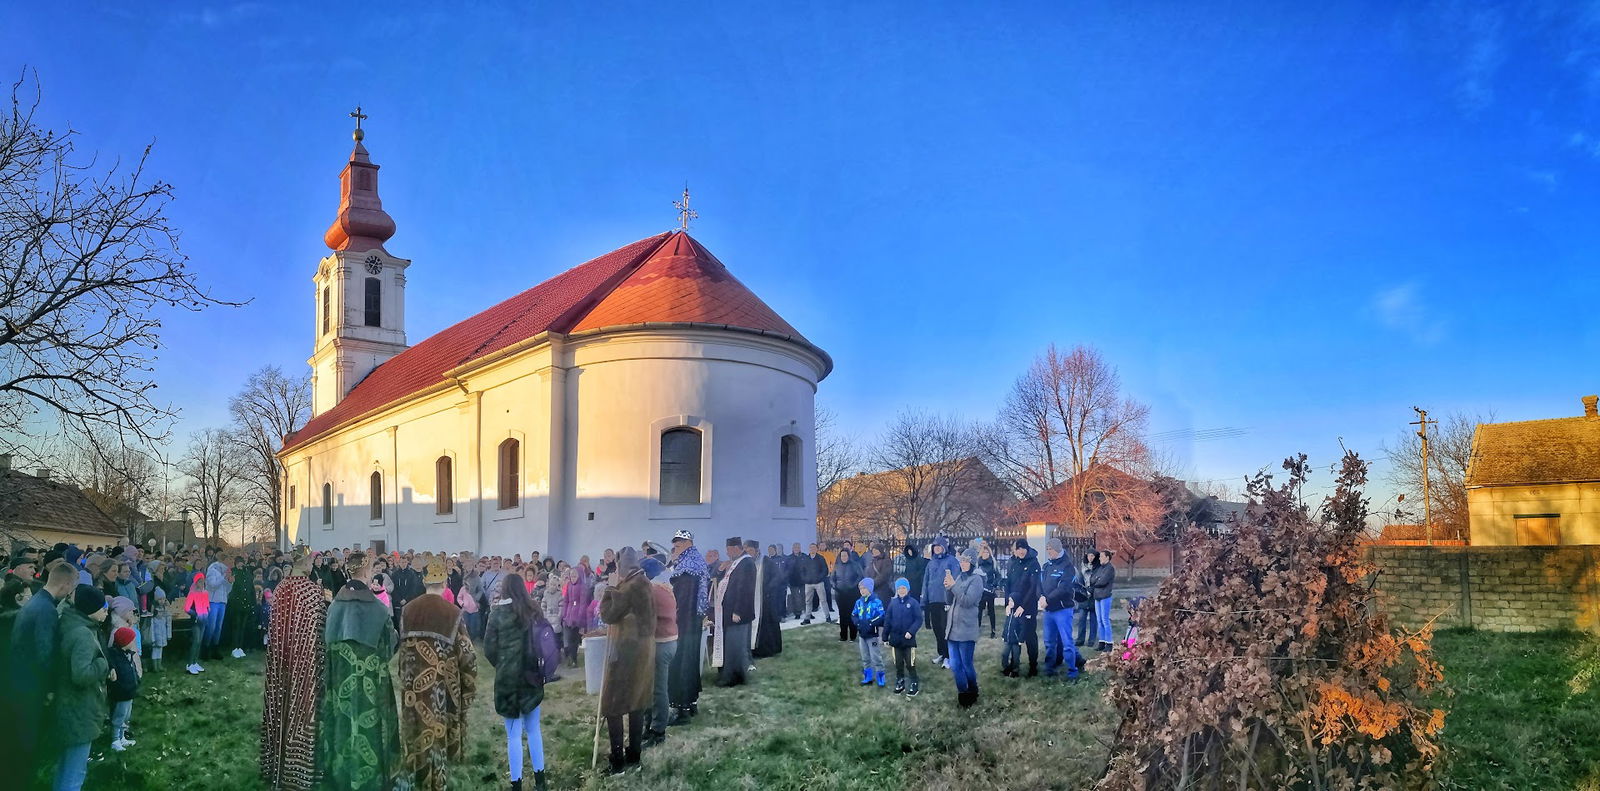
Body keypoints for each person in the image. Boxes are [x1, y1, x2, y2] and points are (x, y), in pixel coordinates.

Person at [321, 552, 401, 791]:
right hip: (371, 687)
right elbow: (389, 647)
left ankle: (341, 771)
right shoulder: (378, 609)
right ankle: (371, 776)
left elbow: (328, 647)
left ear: (348, 572)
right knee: (370, 728)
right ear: (366, 573)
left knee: (344, 723)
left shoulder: (334, 607)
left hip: (341, 683)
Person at [399, 560, 478, 791]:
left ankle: (414, 780)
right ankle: (437, 783)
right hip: (441, 689)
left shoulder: (407, 610)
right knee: (436, 735)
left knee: (415, 735)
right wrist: (467, 689)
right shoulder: (453, 612)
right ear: (444, 583)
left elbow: (403, 654)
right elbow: (468, 656)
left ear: (425, 582)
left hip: (413, 686)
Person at [260, 553, 328, 791]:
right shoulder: (311, 592)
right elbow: (320, 629)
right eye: (310, 562)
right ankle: (299, 771)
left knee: (279, 706)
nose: (311, 566)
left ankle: (275, 766)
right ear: (305, 564)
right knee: (302, 709)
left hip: (280, 660)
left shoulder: (280, 588)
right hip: (306, 662)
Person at [3, 561, 74, 782]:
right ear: (65, 585)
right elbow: (45, 653)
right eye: (72, 588)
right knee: (26, 746)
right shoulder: (46, 610)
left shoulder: (35, 602)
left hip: (18, 682)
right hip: (30, 688)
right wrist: (50, 689)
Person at [485, 572, 548, 791]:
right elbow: (546, 641)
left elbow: (489, 650)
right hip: (532, 678)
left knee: (513, 735)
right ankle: (540, 781)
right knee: (534, 730)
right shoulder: (534, 610)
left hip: (508, 681)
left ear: (504, 589)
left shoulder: (497, 615)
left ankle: (516, 784)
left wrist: (503, 665)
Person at [598, 547, 655, 774]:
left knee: (613, 705)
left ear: (622, 567)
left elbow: (608, 614)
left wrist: (610, 587)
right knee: (636, 704)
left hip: (625, 653)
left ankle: (618, 761)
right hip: (642, 652)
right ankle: (634, 756)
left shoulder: (629, 586)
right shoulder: (645, 583)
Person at [53, 585, 111, 791]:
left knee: (65, 766)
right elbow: (81, 675)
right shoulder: (83, 634)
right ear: (90, 609)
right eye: (102, 607)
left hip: (68, 705)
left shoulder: (71, 624)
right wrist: (103, 665)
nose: (106, 611)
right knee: (75, 772)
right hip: (80, 709)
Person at [666, 530, 708, 723]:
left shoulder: (686, 567)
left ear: (686, 543)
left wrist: (673, 618)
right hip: (693, 621)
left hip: (684, 621)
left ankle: (681, 708)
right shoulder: (696, 560)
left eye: (678, 544)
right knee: (690, 660)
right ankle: (690, 703)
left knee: (681, 661)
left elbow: (681, 598)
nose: (675, 548)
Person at [641, 556, 678, 745]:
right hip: (667, 641)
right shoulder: (664, 587)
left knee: (657, 690)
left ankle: (658, 731)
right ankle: (650, 725)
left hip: (661, 643)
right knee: (653, 688)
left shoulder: (653, 590)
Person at [712, 537, 756, 688]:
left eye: (729, 550)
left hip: (737, 613)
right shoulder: (737, 563)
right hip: (728, 611)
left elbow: (745, 589)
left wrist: (738, 610)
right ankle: (727, 673)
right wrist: (720, 569)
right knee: (729, 645)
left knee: (735, 646)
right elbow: (724, 581)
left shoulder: (747, 563)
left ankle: (732, 677)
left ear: (736, 548)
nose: (727, 553)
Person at [945, 547, 984, 708]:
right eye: (961, 560)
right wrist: (948, 587)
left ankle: (972, 691)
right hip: (953, 629)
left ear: (972, 563)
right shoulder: (959, 577)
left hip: (966, 630)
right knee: (955, 665)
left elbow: (967, 601)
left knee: (966, 664)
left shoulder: (976, 580)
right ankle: (963, 693)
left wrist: (953, 587)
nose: (963, 564)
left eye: (966, 561)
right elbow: (952, 599)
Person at [1038, 538, 1080, 682]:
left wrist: (1048, 599)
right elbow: (1040, 585)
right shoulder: (1046, 566)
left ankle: (1072, 670)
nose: (1049, 552)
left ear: (1057, 549)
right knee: (1049, 642)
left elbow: (1064, 589)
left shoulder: (1067, 566)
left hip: (1062, 609)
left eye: (1051, 549)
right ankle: (1049, 668)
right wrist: (1041, 597)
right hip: (1048, 610)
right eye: (1047, 549)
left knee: (1067, 642)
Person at [1002, 539, 1041, 678]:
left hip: (1028, 606)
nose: (1021, 551)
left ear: (1027, 548)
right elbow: (1007, 583)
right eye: (1018, 549)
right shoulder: (1012, 562)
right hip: (1014, 604)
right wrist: (1008, 603)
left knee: (1029, 636)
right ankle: (1014, 665)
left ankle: (1033, 666)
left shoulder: (1033, 563)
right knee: (1013, 637)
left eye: (1023, 548)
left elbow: (1032, 587)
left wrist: (1023, 607)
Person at [920, 537, 959, 667]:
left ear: (944, 547)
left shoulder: (952, 561)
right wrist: (924, 598)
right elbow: (926, 581)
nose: (937, 548)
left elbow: (955, 579)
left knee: (945, 629)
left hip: (945, 600)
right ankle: (942, 653)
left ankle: (949, 656)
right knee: (936, 629)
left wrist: (952, 596)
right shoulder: (931, 563)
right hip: (933, 600)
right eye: (935, 547)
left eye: (939, 546)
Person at [884, 577, 922, 696]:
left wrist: (911, 632)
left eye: (903, 588)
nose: (901, 590)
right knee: (898, 663)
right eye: (899, 588)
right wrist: (885, 636)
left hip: (908, 640)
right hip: (895, 640)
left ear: (908, 589)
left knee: (910, 663)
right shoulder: (893, 603)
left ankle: (914, 682)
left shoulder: (913, 603)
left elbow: (918, 619)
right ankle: (900, 681)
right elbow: (888, 620)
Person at [108, 626, 141, 751]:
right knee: (119, 716)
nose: (134, 642)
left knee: (125, 716)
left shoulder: (128, 655)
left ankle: (122, 737)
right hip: (121, 693)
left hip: (129, 692)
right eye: (132, 640)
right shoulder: (115, 656)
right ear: (125, 642)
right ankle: (115, 740)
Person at [851, 576, 886, 687]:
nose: (862, 591)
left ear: (870, 589)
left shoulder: (877, 602)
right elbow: (854, 614)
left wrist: (870, 623)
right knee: (865, 657)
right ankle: (868, 677)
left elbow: (881, 616)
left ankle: (881, 676)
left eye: (864, 588)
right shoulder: (858, 602)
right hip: (862, 635)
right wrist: (858, 623)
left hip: (872, 635)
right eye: (860, 589)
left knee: (876, 656)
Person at [752, 540, 783, 659]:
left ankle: (771, 649)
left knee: (769, 624)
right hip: (754, 600)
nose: (750, 553)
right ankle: (757, 649)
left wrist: (767, 589)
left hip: (767, 599)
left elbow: (778, 576)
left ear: (757, 550)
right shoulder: (750, 563)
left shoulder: (766, 561)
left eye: (751, 550)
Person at [560, 561, 592, 668]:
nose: (572, 578)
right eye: (571, 576)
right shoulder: (569, 586)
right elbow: (566, 601)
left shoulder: (583, 587)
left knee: (574, 640)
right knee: (568, 639)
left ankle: (573, 659)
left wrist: (579, 618)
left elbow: (583, 604)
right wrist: (564, 614)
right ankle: (569, 657)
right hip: (568, 616)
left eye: (574, 576)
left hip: (576, 618)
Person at [831, 546, 864, 643]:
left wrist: (853, 586)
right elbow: (832, 578)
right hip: (840, 594)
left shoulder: (855, 565)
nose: (843, 557)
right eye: (842, 556)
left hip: (852, 594)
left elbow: (860, 576)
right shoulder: (837, 565)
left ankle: (853, 636)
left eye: (845, 555)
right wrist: (834, 586)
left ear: (848, 556)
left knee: (852, 614)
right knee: (842, 615)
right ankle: (843, 636)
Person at [204, 554, 233, 661]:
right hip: (212, 601)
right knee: (211, 626)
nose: (230, 563)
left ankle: (215, 648)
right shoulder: (213, 570)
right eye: (228, 560)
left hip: (222, 601)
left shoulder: (226, 572)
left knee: (218, 627)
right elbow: (212, 585)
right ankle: (205, 648)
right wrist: (223, 577)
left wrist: (230, 582)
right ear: (223, 560)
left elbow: (227, 590)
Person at [183, 571, 210, 674]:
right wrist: (195, 614)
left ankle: (195, 662)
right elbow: (187, 608)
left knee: (200, 642)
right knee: (196, 641)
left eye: (203, 581)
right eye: (199, 581)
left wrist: (207, 611)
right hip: (195, 620)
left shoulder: (205, 593)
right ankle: (190, 664)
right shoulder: (192, 593)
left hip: (204, 619)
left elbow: (207, 605)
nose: (201, 583)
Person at [1091, 550, 1117, 652]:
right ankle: (1102, 642)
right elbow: (1092, 579)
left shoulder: (1110, 569)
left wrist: (1096, 581)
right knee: (1099, 620)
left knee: (1105, 620)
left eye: (1101, 556)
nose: (1100, 558)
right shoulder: (1100, 568)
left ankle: (1109, 643)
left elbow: (1103, 581)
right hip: (1097, 596)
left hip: (1105, 596)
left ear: (1107, 557)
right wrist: (1096, 580)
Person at [800, 543, 828, 625]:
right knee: (808, 601)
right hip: (808, 584)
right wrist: (805, 579)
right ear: (809, 549)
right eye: (811, 548)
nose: (812, 549)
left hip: (819, 583)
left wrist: (819, 578)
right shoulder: (806, 559)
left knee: (823, 600)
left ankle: (827, 617)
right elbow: (802, 571)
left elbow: (825, 570)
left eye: (814, 548)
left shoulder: (820, 558)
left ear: (816, 549)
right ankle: (807, 618)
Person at [1074, 551, 1098, 647]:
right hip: (1083, 595)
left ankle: (1091, 640)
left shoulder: (1098, 567)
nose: (1090, 557)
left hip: (1093, 595)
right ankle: (1080, 639)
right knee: (1081, 619)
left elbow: (1098, 580)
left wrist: (1091, 590)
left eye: (1092, 556)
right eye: (1089, 555)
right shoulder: (1083, 566)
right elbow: (1080, 579)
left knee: (1093, 619)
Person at [785, 543, 806, 620]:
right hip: (793, 582)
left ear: (800, 548)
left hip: (803, 581)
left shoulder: (804, 556)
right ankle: (797, 613)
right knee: (796, 598)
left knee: (805, 597)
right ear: (792, 548)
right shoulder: (789, 558)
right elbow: (786, 570)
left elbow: (807, 568)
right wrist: (787, 581)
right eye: (795, 547)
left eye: (798, 547)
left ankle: (807, 611)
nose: (796, 548)